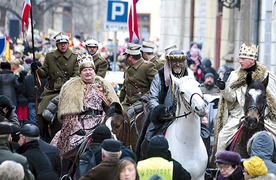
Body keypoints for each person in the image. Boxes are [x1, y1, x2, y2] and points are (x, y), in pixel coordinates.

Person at [51, 54, 120, 173]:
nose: (88, 72)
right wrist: (76, 128)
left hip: (101, 122)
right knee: (61, 145)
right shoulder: (71, 87)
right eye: (85, 70)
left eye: (90, 70)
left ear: (94, 71)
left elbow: (111, 107)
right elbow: (69, 113)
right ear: (80, 73)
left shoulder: (103, 85)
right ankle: (65, 173)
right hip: (81, 124)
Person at [214, 43, 276, 154]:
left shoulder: (267, 75)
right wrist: (224, 88)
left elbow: (272, 100)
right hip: (239, 116)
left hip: (263, 116)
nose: (240, 61)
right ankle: (220, 166)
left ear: (252, 60)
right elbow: (232, 98)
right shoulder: (234, 76)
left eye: (243, 58)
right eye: (239, 58)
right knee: (222, 137)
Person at [139, 49, 194, 158]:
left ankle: (206, 166)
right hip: (164, 116)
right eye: (174, 62)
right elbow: (152, 98)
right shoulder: (159, 76)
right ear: (169, 62)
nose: (178, 64)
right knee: (149, 138)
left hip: (187, 115)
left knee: (205, 134)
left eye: (180, 62)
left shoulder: (190, 76)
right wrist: (160, 110)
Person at [31, 32, 79, 141]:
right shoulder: (50, 56)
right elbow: (44, 73)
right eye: (60, 43)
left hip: (68, 90)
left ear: (68, 44)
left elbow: (77, 74)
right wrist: (36, 70)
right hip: (52, 90)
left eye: (65, 43)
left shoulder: (74, 57)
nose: (63, 45)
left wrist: (69, 85)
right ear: (57, 45)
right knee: (41, 113)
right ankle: (43, 137)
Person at [119, 43, 158, 111]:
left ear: (130, 57)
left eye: (126, 56)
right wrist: (118, 101)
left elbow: (156, 85)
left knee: (129, 115)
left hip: (142, 101)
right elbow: (125, 88)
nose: (125, 58)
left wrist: (145, 97)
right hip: (128, 102)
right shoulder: (129, 69)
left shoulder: (147, 66)